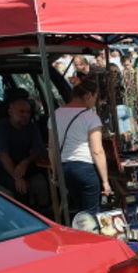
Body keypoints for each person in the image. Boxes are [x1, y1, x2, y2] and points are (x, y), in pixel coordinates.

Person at [52, 78, 110, 216]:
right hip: (84, 168)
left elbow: (52, 147)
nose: (94, 102)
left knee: (79, 212)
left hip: (64, 168)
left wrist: (55, 173)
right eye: (95, 98)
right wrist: (105, 181)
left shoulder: (56, 114)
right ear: (88, 95)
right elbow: (97, 151)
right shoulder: (90, 117)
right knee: (91, 214)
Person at [0, 95, 45, 201]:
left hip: (23, 164)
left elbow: (38, 149)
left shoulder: (31, 126)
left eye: (28, 112)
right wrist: (17, 178)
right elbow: (3, 155)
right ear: (10, 111)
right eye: (21, 112)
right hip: (2, 167)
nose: (25, 115)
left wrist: (25, 162)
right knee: (20, 188)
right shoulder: (0, 127)